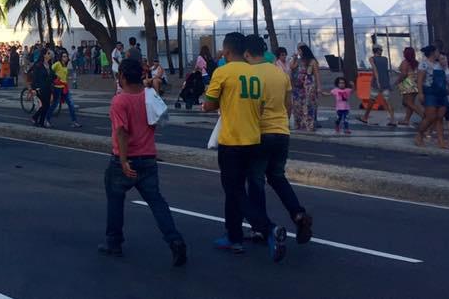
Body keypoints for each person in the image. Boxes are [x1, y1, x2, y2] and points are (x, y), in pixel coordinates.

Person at [202, 32, 287, 261]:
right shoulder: (254, 74)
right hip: (253, 139)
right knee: (236, 191)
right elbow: (259, 108)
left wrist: (210, 104)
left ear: (227, 51)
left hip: (231, 141)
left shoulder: (222, 72)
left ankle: (267, 228)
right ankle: (234, 236)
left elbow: (209, 105)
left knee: (234, 191)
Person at [99, 58, 189, 266]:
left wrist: (122, 161)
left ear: (121, 77)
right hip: (148, 157)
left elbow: (121, 132)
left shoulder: (120, 101)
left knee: (115, 199)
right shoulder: (149, 95)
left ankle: (114, 242)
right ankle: (174, 239)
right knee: (157, 201)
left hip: (125, 159)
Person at [243, 35, 312, 246]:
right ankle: (298, 214)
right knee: (277, 177)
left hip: (260, 133)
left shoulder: (250, 75)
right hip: (282, 132)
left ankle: (260, 228)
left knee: (255, 181)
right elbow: (288, 104)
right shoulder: (280, 73)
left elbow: (252, 106)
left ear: (246, 54)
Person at [415, 45, 449, 148]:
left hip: (442, 93)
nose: (439, 53)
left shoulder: (440, 64)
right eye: (437, 51)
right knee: (430, 116)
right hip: (430, 92)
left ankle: (441, 141)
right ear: (432, 53)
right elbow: (420, 80)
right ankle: (419, 135)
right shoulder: (424, 64)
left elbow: (446, 78)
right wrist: (420, 93)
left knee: (440, 117)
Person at [359, 46, 396, 125]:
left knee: (372, 99)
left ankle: (365, 117)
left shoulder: (372, 59)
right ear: (380, 51)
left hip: (376, 82)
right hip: (385, 81)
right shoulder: (385, 59)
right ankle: (393, 119)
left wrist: (378, 81)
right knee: (387, 100)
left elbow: (375, 69)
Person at [289, 44, 320, 132]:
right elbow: (291, 66)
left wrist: (319, 87)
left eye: (299, 50)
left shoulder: (312, 61)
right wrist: (294, 58)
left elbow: (317, 74)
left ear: (304, 51)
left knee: (308, 105)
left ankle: (309, 125)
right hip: (297, 86)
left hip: (308, 86)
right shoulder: (298, 61)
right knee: (297, 105)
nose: (298, 52)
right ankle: (298, 124)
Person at [51, 52, 82, 128]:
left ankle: (74, 121)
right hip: (58, 87)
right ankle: (47, 119)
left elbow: (64, 75)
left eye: (66, 56)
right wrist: (55, 78)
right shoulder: (57, 64)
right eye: (64, 56)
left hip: (65, 87)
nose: (65, 57)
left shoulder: (65, 65)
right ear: (61, 57)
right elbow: (51, 70)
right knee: (55, 104)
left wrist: (69, 78)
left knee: (71, 104)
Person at [396, 47, 424, 126]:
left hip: (407, 82)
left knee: (408, 102)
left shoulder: (405, 62)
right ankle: (406, 120)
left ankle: (424, 116)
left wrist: (398, 81)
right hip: (415, 82)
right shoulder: (416, 63)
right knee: (410, 103)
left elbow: (404, 73)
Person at [30, 49, 54, 127]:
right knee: (45, 105)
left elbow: (51, 76)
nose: (50, 55)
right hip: (40, 88)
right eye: (48, 53)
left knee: (46, 105)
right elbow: (34, 77)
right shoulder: (39, 65)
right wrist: (34, 88)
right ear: (44, 55)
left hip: (48, 88)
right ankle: (37, 119)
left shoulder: (49, 65)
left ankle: (38, 119)